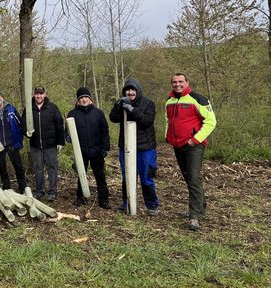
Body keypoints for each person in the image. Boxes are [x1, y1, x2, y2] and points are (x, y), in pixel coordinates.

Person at [165, 73, 217, 231]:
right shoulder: (169, 101)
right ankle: (200, 207)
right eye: (174, 82)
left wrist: (195, 139)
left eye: (181, 81)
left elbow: (211, 121)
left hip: (194, 146)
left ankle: (194, 216)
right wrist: (167, 136)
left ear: (187, 82)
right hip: (178, 145)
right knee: (189, 177)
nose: (177, 84)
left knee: (194, 177)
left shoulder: (198, 99)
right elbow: (168, 120)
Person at [109, 79, 159, 215]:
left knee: (146, 176)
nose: (130, 92)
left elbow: (146, 122)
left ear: (138, 90)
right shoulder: (122, 103)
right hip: (126, 147)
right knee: (127, 176)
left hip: (145, 148)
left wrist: (132, 110)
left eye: (133, 90)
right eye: (127, 90)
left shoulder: (148, 104)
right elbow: (113, 118)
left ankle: (152, 205)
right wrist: (117, 107)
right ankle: (127, 203)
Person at [67, 87, 111, 209]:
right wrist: (68, 136)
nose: (84, 99)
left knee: (100, 176)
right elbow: (68, 131)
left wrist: (105, 147)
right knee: (81, 175)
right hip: (81, 151)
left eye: (86, 97)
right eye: (81, 98)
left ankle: (104, 199)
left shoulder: (98, 113)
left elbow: (104, 131)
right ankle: (80, 197)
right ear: (78, 101)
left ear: (90, 99)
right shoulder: (72, 114)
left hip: (97, 151)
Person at [21, 86, 65, 202]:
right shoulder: (29, 109)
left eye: (41, 93)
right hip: (35, 145)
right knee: (38, 168)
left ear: (45, 94)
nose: (39, 96)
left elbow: (60, 125)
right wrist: (26, 133)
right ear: (33, 95)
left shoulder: (52, 108)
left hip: (50, 145)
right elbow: (23, 123)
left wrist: (60, 142)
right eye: (37, 94)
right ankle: (40, 190)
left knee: (52, 167)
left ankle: (52, 192)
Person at [0, 90, 27, 193]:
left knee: (18, 167)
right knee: (2, 169)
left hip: (12, 142)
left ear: (3, 98)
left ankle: (23, 189)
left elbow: (21, 123)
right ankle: (7, 190)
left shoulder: (11, 109)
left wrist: (24, 135)